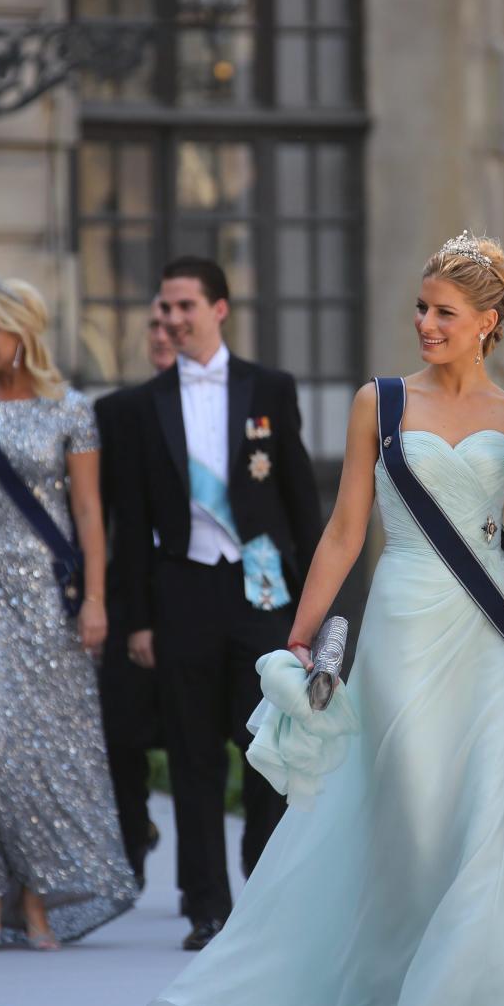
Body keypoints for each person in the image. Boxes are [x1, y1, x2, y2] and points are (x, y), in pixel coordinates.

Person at [149, 232, 504, 1006]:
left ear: (487, 323)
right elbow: (346, 532)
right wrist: (303, 637)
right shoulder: (377, 403)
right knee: (414, 831)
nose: (425, 323)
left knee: (488, 832)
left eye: (444, 313)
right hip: (404, 632)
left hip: (496, 644)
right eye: (420, 308)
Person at [0, 275, 137, 951]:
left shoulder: (71, 410)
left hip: (47, 594)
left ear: (23, 334)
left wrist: (96, 598)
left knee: (44, 749)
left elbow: (91, 512)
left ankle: (35, 900)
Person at [118, 256, 322, 950]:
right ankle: (206, 906)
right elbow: (131, 523)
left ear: (219, 309)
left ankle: (262, 895)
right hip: (182, 592)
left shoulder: (270, 386)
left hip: (261, 587)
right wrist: (138, 619)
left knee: (265, 747)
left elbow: (299, 498)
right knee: (192, 754)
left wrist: (315, 604)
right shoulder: (141, 407)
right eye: (165, 308)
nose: (173, 319)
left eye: (184, 307)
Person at [95, 297, 175, 889]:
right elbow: (93, 511)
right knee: (121, 728)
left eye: (172, 320)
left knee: (196, 732)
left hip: (199, 591)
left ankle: (208, 887)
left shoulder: (230, 408)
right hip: (128, 592)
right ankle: (131, 835)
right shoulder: (116, 412)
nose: (161, 332)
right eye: (151, 322)